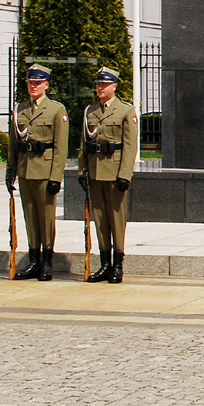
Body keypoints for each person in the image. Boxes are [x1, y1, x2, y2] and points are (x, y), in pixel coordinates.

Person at [6, 63, 68, 281]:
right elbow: (13, 142)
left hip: (44, 170)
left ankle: (47, 261)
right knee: (30, 217)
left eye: (38, 83)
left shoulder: (56, 110)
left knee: (46, 218)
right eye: (30, 83)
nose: (33, 86)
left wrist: (56, 176)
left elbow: (61, 147)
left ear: (46, 85)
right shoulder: (20, 109)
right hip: (25, 171)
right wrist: (10, 170)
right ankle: (34, 260)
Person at [80, 67, 139, 284]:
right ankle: (104, 264)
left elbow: (130, 146)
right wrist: (81, 170)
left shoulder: (125, 111)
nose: (101, 88)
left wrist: (125, 174)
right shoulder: (90, 111)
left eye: (105, 85)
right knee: (100, 220)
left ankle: (117, 265)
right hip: (95, 171)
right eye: (98, 84)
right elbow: (84, 144)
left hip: (115, 173)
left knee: (116, 219)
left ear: (114, 86)